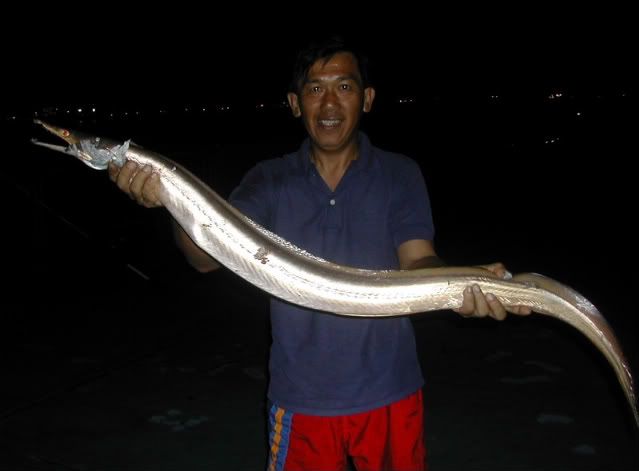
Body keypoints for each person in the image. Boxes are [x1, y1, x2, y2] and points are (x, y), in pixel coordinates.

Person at [108, 37, 531, 471]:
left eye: (344, 87)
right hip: (301, 399)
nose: (329, 103)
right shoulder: (267, 180)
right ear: (295, 104)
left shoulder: (399, 174)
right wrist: (170, 203)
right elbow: (205, 258)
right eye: (315, 89)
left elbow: (419, 260)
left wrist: (460, 285)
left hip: (391, 391)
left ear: (367, 99)